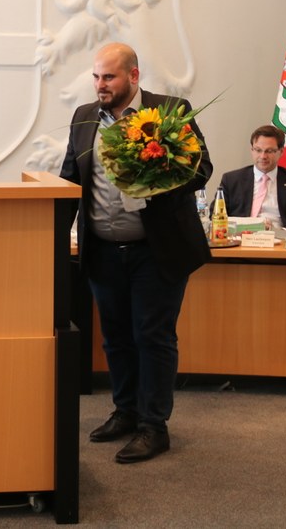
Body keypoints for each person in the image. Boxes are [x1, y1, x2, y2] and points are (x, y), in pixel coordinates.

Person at [60, 42, 212, 464]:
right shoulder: (84, 117)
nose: (99, 85)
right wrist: (53, 237)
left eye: (108, 77)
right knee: (116, 338)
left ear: (134, 76)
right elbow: (70, 180)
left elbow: (201, 170)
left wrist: (154, 170)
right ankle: (125, 412)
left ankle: (153, 427)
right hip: (104, 252)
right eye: (95, 76)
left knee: (152, 337)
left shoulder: (171, 111)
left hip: (156, 252)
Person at [218, 125, 286, 231]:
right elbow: (214, 218)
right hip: (241, 239)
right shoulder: (231, 180)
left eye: (269, 151)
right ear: (252, 150)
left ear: (281, 152)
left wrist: (283, 232)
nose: (263, 156)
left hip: (279, 241)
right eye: (258, 150)